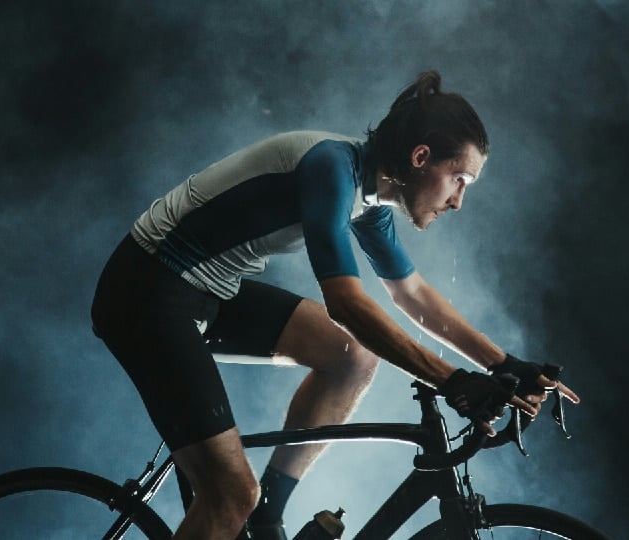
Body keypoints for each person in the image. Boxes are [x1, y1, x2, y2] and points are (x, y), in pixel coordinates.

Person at [90, 70, 580, 540]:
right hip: (146, 289)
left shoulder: (372, 197)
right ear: (420, 156)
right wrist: (452, 381)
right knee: (230, 498)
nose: (458, 202)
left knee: (351, 358)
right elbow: (346, 303)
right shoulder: (331, 167)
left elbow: (413, 295)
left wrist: (504, 364)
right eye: (459, 180)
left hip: (207, 292)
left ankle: (268, 514)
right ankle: (247, 507)